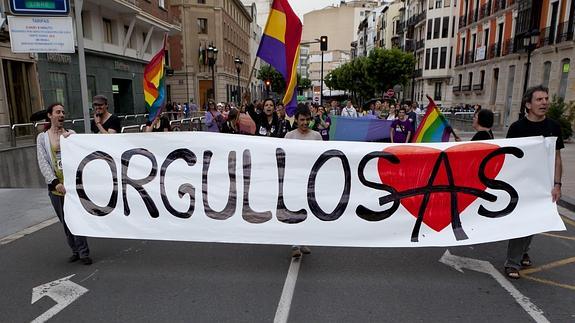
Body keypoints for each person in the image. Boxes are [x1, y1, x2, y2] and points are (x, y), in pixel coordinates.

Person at [503, 85, 564, 279]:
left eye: (546, 99)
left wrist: (557, 184)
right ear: (528, 104)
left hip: (543, 184)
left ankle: (523, 251)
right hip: (521, 183)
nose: (544, 102)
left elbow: (557, 157)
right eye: (539, 99)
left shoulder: (554, 127)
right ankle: (512, 263)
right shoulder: (517, 128)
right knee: (522, 221)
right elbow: (508, 157)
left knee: (535, 221)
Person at [37, 103, 92, 265]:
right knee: (65, 221)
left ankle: (84, 252)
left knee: (76, 218)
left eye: (63, 112)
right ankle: (74, 250)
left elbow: (80, 156)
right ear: (50, 115)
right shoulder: (42, 138)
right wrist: (54, 182)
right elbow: (43, 162)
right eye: (58, 112)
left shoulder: (71, 134)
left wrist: (72, 141)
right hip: (56, 187)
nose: (61, 114)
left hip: (72, 187)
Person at [285, 105, 321, 257]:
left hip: (312, 180)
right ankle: (294, 244)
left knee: (309, 211)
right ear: (296, 120)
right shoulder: (289, 136)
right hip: (294, 179)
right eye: (302, 120)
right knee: (295, 211)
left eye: (307, 120)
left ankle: (304, 240)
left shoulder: (316, 136)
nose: (305, 123)